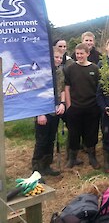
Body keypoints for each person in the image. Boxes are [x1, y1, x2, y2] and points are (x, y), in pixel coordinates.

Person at [64, 43, 101, 169]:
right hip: (75, 107)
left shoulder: (95, 69)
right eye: (77, 53)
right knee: (74, 133)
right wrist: (69, 106)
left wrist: (97, 105)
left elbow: (98, 89)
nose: (79, 56)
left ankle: (92, 157)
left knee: (91, 133)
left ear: (87, 54)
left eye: (82, 53)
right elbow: (67, 88)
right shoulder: (70, 69)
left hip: (92, 107)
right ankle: (72, 158)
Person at [31, 47, 65, 176]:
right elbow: (36, 93)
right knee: (41, 140)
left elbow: (62, 89)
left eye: (60, 57)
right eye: (55, 57)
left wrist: (62, 103)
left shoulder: (60, 71)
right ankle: (36, 169)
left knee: (51, 139)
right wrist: (40, 113)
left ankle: (46, 165)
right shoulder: (40, 72)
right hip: (42, 111)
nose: (58, 59)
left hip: (55, 110)